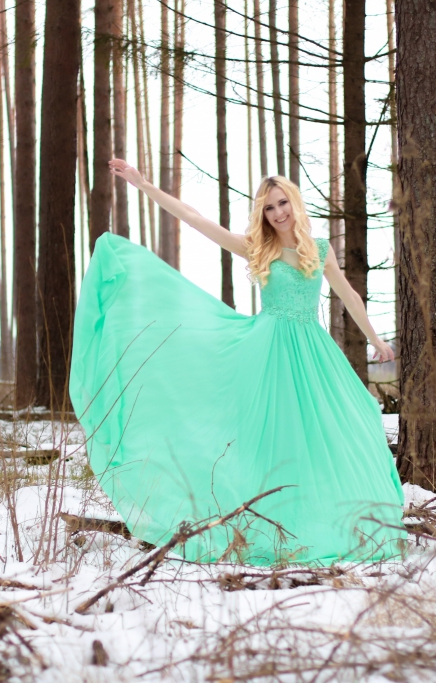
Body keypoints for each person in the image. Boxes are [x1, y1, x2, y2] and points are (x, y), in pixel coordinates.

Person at [68, 158, 405, 566]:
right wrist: (144, 185)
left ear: (294, 204)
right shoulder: (257, 247)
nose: (278, 212)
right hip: (268, 353)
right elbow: (195, 219)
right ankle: (266, 519)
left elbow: (348, 295)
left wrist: (376, 338)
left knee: (338, 427)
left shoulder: (319, 249)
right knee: (270, 439)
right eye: (269, 207)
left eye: (282, 203)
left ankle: (333, 516)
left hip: (313, 352)